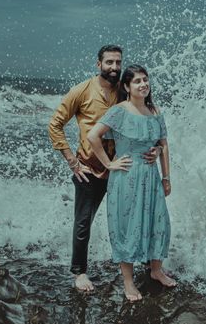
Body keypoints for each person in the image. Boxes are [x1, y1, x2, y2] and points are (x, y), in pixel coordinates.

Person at [48, 46, 161, 292]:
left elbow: (143, 120)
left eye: (118, 63)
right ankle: (79, 272)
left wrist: (155, 149)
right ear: (98, 64)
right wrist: (72, 161)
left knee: (133, 219)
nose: (114, 68)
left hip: (125, 170)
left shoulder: (124, 90)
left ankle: (145, 267)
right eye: (109, 62)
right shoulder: (81, 91)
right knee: (83, 222)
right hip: (91, 169)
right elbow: (54, 125)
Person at [87, 65, 175, 302]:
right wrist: (109, 164)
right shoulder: (119, 111)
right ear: (126, 87)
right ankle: (128, 282)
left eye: (145, 80)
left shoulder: (154, 110)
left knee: (159, 222)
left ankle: (156, 270)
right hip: (127, 176)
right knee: (127, 226)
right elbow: (92, 136)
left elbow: (163, 144)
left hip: (152, 176)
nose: (143, 84)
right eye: (137, 81)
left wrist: (166, 176)